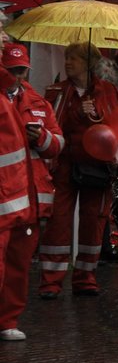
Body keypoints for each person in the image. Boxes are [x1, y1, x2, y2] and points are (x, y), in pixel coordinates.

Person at [40, 42, 118, 298]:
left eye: (74, 59)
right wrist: (76, 112)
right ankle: (50, 282)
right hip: (64, 165)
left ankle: (85, 277)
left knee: (93, 222)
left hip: (98, 168)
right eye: (67, 58)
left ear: (89, 63)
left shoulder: (109, 91)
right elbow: (50, 125)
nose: (68, 63)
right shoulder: (56, 91)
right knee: (58, 221)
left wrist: (96, 115)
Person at [0, 43, 62, 342]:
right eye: (12, 70)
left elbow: (59, 145)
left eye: (22, 70)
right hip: (6, 195)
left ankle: (8, 319)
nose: (17, 76)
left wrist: (42, 138)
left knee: (19, 264)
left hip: (31, 197)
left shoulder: (39, 102)